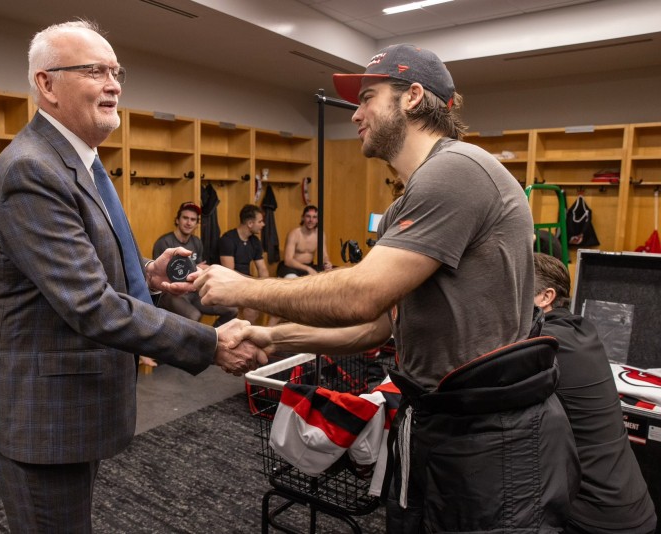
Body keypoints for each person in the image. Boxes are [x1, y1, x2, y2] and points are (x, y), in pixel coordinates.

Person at [197, 44, 579, 532]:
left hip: (491, 435)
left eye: (367, 98)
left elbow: (361, 295)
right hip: (438, 421)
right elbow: (379, 326)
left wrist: (242, 289)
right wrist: (273, 339)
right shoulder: (407, 203)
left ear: (413, 96)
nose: (355, 114)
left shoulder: (458, 170)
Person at [0, 20, 262, 532]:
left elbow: (75, 274)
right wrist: (210, 342)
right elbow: (88, 304)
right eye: (94, 71)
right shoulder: (31, 171)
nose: (114, 84)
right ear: (46, 84)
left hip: (69, 405)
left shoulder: (77, 163)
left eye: (116, 71)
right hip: (41, 416)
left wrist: (143, 276)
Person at [533, 252, 656, 534]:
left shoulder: (547, 343)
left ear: (545, 297)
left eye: (518, 286)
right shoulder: (582, 330)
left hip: (597, 520)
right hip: (632, 510)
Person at [141, 202, 238, 367]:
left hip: (192, 292)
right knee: (194, 316)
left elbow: (198, 269)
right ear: (177, 220)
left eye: (193, 219)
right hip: (169, 294)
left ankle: (213, 342)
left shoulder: (196, 242)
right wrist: (196, 269)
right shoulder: (164, 243)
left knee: (231, 309)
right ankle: (191, 354)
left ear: (196, 223)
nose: (189, 222)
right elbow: (162, 277)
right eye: (185, 218)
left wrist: (199, 270)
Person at [218, 204, 269, 324]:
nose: (263, 225)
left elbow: (262, 269)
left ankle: (253, 334)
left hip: (247, 282)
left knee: (270, 301)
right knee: (251, 304)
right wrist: (252, 282)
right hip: (228, 282)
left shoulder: (255, 241)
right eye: (260, 221)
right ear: (250, 223)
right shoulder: (228, 240)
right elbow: (229, 273)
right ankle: (245, 335)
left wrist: (266, 286)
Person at [277, 205, 333, 278]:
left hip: (309, 266)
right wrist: (308, 269)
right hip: (291, 268)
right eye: (308, 216)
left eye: (314, 217)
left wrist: (327, 263)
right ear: (303, 217)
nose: (311, 220)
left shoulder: (320, 235)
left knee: (326, 278)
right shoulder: (294, 234)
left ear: (317, 220)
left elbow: (324, 255)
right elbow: (288, 260)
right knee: (293, 281)